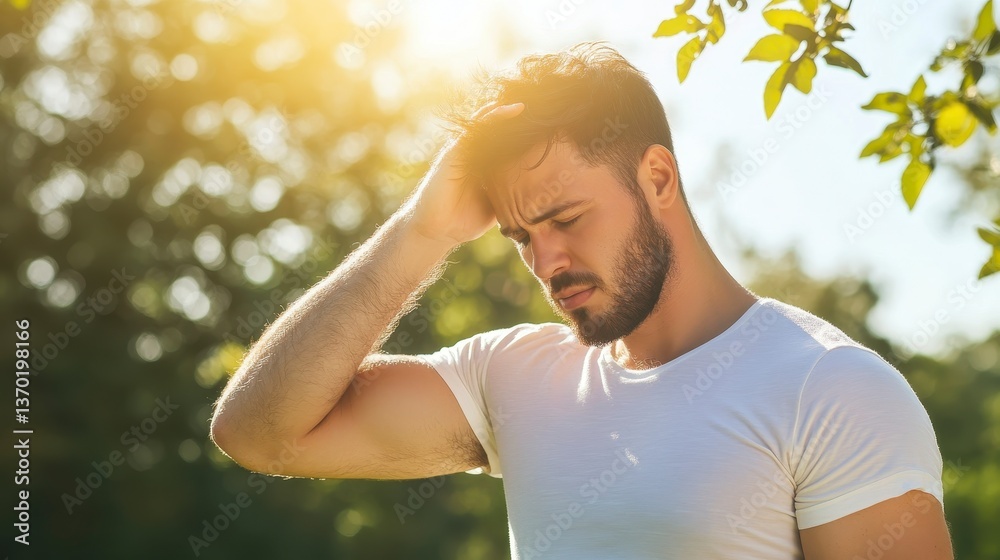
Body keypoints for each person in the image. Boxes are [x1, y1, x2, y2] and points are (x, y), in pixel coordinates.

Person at [210, 42, 954, 559]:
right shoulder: (513, 377)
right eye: (519, 237)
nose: (546, 261)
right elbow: (260, 433)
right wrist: (420, 231)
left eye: (565, 219)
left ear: (658, 180)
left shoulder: (830, 388)